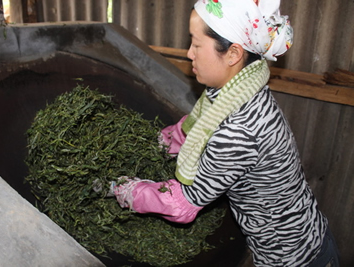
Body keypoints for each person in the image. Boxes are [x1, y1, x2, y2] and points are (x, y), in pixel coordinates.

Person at [111, 0, 340, 266]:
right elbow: (198, 127)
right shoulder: (238, 91)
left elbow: (181, 204)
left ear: (233, 54)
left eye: (197, 45)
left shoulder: (239, 131)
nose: (189, 54)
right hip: (306, 236)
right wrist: (159, 143)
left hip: (296, 258)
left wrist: (127, 190)